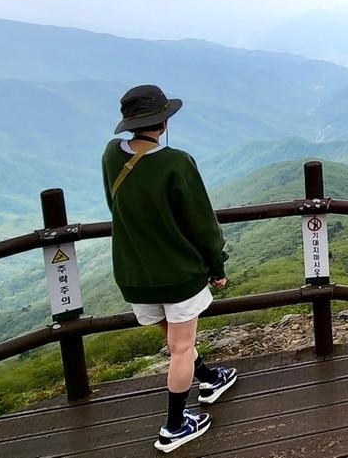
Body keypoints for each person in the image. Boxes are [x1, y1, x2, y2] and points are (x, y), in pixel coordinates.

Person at [103, 84, 237, 453]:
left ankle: (209, 378)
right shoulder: (175, 162)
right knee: (181, 348)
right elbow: (201, 222)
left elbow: (118, 207)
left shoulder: (111, 155)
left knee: (178, 340)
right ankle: (175, 425)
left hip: (133, 273)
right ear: (163, 120)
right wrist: (216, 265)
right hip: (176, 273)